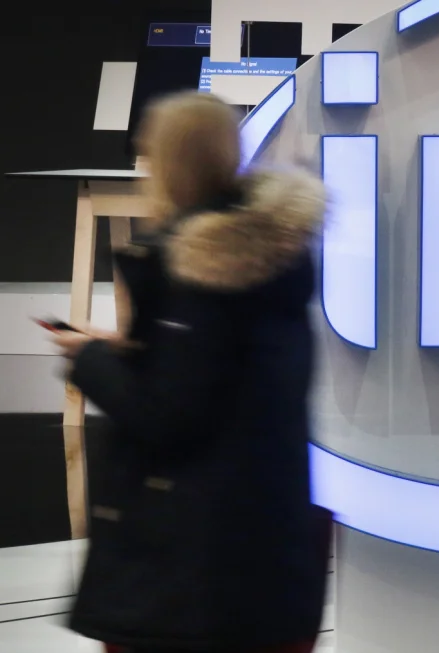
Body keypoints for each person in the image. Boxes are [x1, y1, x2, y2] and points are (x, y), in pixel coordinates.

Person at [50, 92, 330, 653]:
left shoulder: (195, 268)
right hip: (263, 554)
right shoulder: (273, 258)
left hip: (188, 573)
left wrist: (90, 360)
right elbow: (227, 381)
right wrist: (133, 350)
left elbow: (168, 418)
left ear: (168, 163)